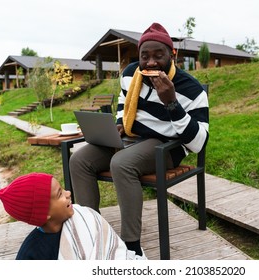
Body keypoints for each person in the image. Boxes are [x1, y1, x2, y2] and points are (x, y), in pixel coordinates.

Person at [69, 22, 209, 257]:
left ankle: (132, 247)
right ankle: (91, 231)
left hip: (167, 146)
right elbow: (124, 107)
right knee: (79, 160)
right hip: (132, 140)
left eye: (158, 55)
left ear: (172, 55)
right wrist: (119, 124)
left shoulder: (192, 89)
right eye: (145, 56)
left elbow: (198, 143)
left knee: (121, 163)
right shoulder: (130, 75)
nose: (151, 62)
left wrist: (172, 103)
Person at [0, 172, 145, 260]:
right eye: (60, 194)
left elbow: (110, 249)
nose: (68, 193)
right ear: (45, 213)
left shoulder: (82, 216)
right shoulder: (32, 253)